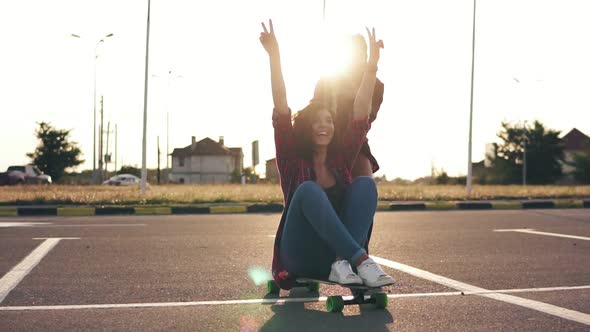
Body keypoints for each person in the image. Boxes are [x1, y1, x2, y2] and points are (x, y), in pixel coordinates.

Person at [259, 19, 394, 289]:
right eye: (318, 121)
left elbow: (360, 113)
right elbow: (281, 101)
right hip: (298, 255)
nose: (325, 125)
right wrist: (274, 56)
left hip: (333, 262)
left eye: (329, 121)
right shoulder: (291, 158)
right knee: (308, 190)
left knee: (366, 184)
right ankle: (361, 259)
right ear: (306, 126)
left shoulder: (340, 160)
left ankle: (345, 259)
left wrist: (371, 66)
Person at [312, 34, 385, 178]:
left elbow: (366, 119)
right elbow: (313, 112)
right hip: (324, 141)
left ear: (365, 56)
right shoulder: (327, 80)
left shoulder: (376, 85)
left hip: (356, 143)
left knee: (365, 181)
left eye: (359, 53)